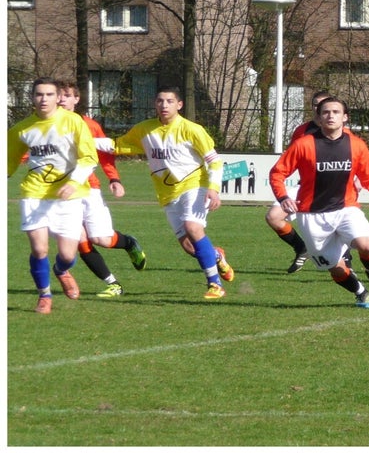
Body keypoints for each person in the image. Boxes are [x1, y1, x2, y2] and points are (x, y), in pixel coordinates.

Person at [270, 97, 369, 308]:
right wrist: (284, 197)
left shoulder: (356, 146)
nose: (331, 116)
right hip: (312, 215)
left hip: (346, 208)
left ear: (345, 117)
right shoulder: (303, 145)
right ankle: (360, 291)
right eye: (326, 112)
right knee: (336, 268)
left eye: (336, 112)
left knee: (367, 247)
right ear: (319, 117)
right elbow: (277, 173)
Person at [97, 86, 235, 300]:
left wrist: (214, 188)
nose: (164, 105)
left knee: (193, 227)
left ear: (179, 105)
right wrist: (82, 141)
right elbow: (116, 145)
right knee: (189, 246)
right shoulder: (145, 129)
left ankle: (215, 284)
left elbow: (214, 161)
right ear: (155, 104)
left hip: (194, 186)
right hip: (168, 194)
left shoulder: (192, 129)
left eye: (170, 101)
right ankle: (216, 255)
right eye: (160, 101)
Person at [7, 78, 98, 314]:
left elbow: (89, 157)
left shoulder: (73, 121)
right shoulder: (22, 129)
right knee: (39, 249)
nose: (43, 99)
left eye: (49, 95)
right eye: (39, 94)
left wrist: (74, 182)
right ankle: (44, 295)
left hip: (68, 196)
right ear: (32, 97)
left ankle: (61, 269)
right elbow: (7, 162)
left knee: (67, 254)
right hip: (34, 193)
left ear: (58, 98)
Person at [57, 81, 147, 298]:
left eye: (66, 95)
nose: (61, 100)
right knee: (80, 240)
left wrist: (114, 179)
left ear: (76, 99)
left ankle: (129, 243)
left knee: (101, 239)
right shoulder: (46, 126)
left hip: (89, 189)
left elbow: (105, 155)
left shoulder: (89, 126)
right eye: (58, 95)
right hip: (62, 192)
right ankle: (113, 284)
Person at [267, 89, 335, 274]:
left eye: (324, 104)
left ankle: (348, 264)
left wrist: (356, 179)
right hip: (305, 187)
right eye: (316, 105)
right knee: (273, 217)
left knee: (335, 228)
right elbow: (291, 160)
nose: (319, 108)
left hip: (332, 190)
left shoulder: (340, 131)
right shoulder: (302, 131)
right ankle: (301, 248)